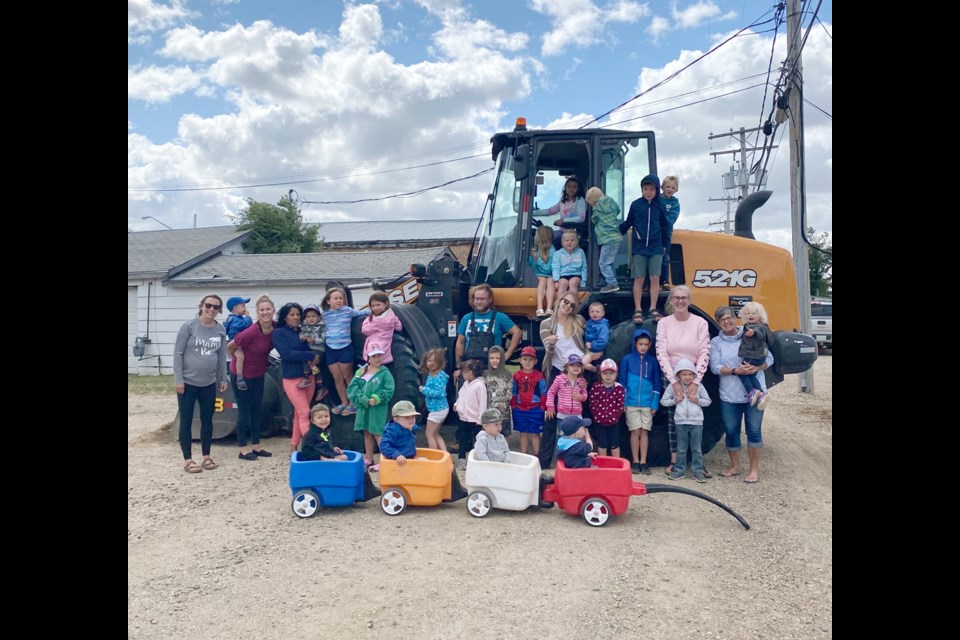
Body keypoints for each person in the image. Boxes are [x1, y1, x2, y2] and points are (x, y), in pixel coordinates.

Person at [710, 306, 773, 484]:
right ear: (718, 323)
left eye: (729, 318)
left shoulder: (749, 333)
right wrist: (735, 371)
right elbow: (714, 367)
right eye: (722, 320)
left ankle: (753, 470)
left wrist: (758, 367)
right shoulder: (716, 343)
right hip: (729, 395)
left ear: (735, 318)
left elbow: (769, 358)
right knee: (731, 431)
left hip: (755, 396)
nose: (727, 322)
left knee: (753, 431)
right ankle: (735, 466)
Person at [655, 285, 711, 477]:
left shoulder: (700, 323)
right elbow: (661, 352)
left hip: (694, 375)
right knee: (674, 417)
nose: (680, 301)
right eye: (676, 298)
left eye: (684, 298)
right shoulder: (664, 324)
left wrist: (696, 381)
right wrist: (673, 381)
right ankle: (675, 461)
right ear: (671, 301)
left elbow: (704, 351)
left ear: (689, 300)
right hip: (671, 374)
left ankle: (698, 461)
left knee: (697, 415)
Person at [174, 294, 229, 474]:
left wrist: (223, 378)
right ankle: (188, 459)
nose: (211, 309)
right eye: (208, 305)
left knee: (207, 419)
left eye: (216, 307)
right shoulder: (188, 327)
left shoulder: (220, 329)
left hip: (208, 383)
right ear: (201, 306)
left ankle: (206, 455)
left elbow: (221, 357)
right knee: (186, 419)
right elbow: (178, 354)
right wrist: (179, 380)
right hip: (188, 383)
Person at [538, 291, 587, 468]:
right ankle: (544, 461)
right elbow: (547, 350)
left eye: (572, 305)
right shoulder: (546, 324)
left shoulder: (579, 321)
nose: (567, 306)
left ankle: (577, 456)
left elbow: (586, 341)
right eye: (565, 302)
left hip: (579, 369)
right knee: (551, 416)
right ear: (559, 301)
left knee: (578, 412)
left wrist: (589, 356)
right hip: (559, 371)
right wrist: (551, 343)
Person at [228, 294, 276, 461]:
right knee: (244, 410)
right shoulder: (250, 332)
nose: (265, 312)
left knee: (257, 409)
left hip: (258, 373)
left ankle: (256, 445)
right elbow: (230, 346)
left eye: (268, 309)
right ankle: (242, 448)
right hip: (241, 374)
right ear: (257, 312)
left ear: (273, 310)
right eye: (262, 310)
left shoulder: (276, 328)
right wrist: (238, 356)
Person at [619, 174, 669, 322]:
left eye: (651, 189)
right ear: (641, 189)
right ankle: (638, 309)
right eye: (645, 189)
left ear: (656, 190)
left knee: (655, 277)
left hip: (655, 247)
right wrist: (616, 230)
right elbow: (628, 222)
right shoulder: (636, 205)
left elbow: (665, 226)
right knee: (639, 278)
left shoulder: (660, 205)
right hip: (639, 246)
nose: (648, 192)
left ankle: (653, 308)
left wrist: (665, 245)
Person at [273, 302, 321, 453]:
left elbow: (315, 346)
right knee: (305, 413)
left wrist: (314, 355)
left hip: (308, 376)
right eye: (292, 314)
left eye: (298, 315)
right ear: (285, 317)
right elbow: (286, 354)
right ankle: (311, 447)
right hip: (292, 378)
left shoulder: (303, 331)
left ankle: (294, 446)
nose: (295, 317)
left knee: (300, 413)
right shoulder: (279, 333)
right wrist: (309, 355)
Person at [660, 358, 712, 483]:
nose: (687, 377)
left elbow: (708, 401)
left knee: (696, 448)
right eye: (684, 374)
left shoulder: (698, 386)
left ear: (694, 374)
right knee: (681, 448)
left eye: (690, 374)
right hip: (681, 422)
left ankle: (698, 471)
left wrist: (697, 400)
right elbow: (663, 401)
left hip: (697, 422)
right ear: (678, 375)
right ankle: (679, 470)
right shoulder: (674, 387)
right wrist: (674, 401)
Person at [322, 286, 371, 416]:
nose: (339, 301)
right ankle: (343, 402)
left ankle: (352, 402)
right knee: (337, 377)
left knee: (348, 376)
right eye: (335, 298)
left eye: (340, 298)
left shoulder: (348, 311)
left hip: (345, 348)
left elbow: (362, 313)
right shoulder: (324, 314)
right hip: (330, 349)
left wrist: (376, 309)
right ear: (328, 301)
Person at [347, 342, 396, 471]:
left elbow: (389, 389)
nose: (378, 358)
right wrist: (361, 399)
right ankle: (369, 458)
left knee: (378, 432)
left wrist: (377, 398)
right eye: (374, 356)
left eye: (380, 355)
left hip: (377, 408)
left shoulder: (385, 373)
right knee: (367, 431)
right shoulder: (361, 371)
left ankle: (384, 459)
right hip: (364, 408)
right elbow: (352, 388)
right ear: (368, 357)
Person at [619, 329, 661, 475]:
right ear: (635, 344)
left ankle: (644, 461)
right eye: (640, 344)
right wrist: (623, 402)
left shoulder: (653, 361)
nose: (643, 347)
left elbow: (657, 383)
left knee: (645, 432)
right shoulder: (627, 360)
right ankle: (635, 461)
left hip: (647, 403)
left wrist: (654, 403)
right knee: (634, 431)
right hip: (631, 403)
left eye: (646, 344)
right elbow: (622, 382)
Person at [454, 284, 521, 375]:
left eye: (482, 299)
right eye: (477, 299)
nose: (479, 302)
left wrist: (507, 355)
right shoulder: (466, 318)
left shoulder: (500, 317)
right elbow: (460, 342)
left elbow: (517, 332)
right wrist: (458, 366)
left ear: (490, 299)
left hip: (492, 368)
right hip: (469, 368)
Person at [737, 301, 776, 409]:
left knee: (742, 372)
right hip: (759, 356)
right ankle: (761, 395)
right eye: (748, 313)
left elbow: (758, 333)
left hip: (752, 355)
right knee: (752, 375)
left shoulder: (757, 327)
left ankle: (752, 392)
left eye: (754, 313)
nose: (750, 315)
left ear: (760, 315)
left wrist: (752, 333)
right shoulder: (763, 326)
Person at [511, 345, 547, 456]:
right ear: (520, 360)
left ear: (535, 361)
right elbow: (513, 391)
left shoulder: (539, 376)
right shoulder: (516, 376)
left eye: (530, 360)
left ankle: (537, 454)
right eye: (525, 359)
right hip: (519, 409)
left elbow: (544, 392)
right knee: (523, 433)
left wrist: (542, 407)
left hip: (535, 409)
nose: (527, 362)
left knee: (535, 433)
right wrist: (513, 405)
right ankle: (524, 455)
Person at [585, 186, 622, 293]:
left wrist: (594, 210)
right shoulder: (612, 203)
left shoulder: (597, 208)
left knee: (603, 263)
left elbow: (594, 220)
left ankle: (612, 284)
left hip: (607, 239)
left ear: (593, 202)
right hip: (616, 238)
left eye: (590, 203)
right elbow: (618, 210)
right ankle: (613, 281)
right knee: (609, 262)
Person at [453, 359, 487, 470]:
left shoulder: (480, 386)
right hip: (463, 417)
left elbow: (482, 403)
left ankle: (477, 459)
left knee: (476, 440)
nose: (463, 374)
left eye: (464, 371)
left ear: (470, 372)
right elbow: (460, 396)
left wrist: (480, 419)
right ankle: (462, 458)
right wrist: (457, 405)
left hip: (475, 419)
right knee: (463, 439)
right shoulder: (465, 384)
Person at [588, 359, 624, 458]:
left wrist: (615, 416)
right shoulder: (596, 386)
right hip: (599, 422)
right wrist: (597, 416)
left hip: (614, 422)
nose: (608, 376)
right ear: (600, 374)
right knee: (602, 444)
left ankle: (617, 463)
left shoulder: (619, 388)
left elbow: (620, 405)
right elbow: (592, 403)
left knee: (615, 444)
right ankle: (603, 464)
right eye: (605, 373)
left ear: (616, 374)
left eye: (611, 373)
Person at [418, 347, 450, 453]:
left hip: (438, 410)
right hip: (437, 409)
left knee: (429, 434)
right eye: (429, 360)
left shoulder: (439, 376)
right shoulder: (431, 374)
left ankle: (434, 456)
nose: (431, 363)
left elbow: (440, 393)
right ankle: (445, 455)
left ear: (439, 363)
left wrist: (424, 389)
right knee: (435, 434)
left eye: (434, 361)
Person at [361, 291, 403, 364]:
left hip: (374, 347)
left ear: (386, 304)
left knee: (374, 367)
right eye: (373, 306)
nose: (375, 308)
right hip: (385, 348)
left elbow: (365, 330)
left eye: (378, 305)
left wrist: (372, 322)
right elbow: (399, 327)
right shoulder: (392, 317)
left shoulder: (374, 320)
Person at [546, 354, 589, 425]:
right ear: (567, 368)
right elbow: (551, 392)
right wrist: (550, 406)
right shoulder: (559, 379)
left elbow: (585, 395)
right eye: (572, 365)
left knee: (577, 435)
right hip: (562, 415)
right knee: (562, 435)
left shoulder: (582, 381)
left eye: (578, 365)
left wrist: (581, 397)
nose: (576, 367)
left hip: (577, 415)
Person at [379, 400, 421, 465]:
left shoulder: (410, 426)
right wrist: (396, 455)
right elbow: (384, 445)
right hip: (396, 462)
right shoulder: (392, 430)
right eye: (407, 417)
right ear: (396, 419)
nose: (411, 420)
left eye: (413, 416)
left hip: (409, 458)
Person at [483, 345, 513, 436]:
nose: (494, 360)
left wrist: (501, 406)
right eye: (492, 358)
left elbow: (509, 395)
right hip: (488, 411)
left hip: (503, 413)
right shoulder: (485, 374)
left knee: (504, 435)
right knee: (489, 434)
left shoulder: (507, 375)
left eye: (497, 358)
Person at [659, 175, 680, 288]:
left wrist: (662, 222)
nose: (670, 189)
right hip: (654, 233)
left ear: (676, 190)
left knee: (665, 257)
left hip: (666, 234)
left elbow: (672, 217)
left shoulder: (675, 203)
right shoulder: (656, 199)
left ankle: (664, 280)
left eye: (672, 188)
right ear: (662, 187)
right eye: (667, 187)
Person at [530, 225, 556, 317]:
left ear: (542, 237)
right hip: (537, 274)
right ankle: (540, 307)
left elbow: (548, 269)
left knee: (549, 280)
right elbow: (530, 266)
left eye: (536, 235)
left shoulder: (552, 251)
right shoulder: (535, 249)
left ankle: (549, 308)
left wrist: (537, 259)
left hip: (548, 274)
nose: (534, 237)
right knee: (542, 280)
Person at [551, 228, 588, 296]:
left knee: (573, 282)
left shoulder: (580, 252)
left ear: (576, 241)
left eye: (572, 240)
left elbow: (584, 267)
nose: (569, 242)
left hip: (576, 275)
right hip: (563, 275)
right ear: (562, 242)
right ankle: (559, 304)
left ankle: (573, 303)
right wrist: (556, 280)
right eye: (566, 240)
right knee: (563, 283)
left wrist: (584, 280)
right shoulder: (558, 253)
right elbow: (556, 268)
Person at [299, 303, 326, 393]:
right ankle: (319, 384)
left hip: (319, 349)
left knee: (310, 359)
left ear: (319, 317)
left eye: (313, 316)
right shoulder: (305, 327)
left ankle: (306, 378)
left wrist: (315, 341)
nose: (311, 318)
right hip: (310, 348)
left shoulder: (321, 327)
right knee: (314, 365)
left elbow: (324, 338)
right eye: (308, 317)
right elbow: (301, 335)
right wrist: (302, 337)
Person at [581, 301, 609, 373]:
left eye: (597, 311)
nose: (595, 313)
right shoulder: (588, 323)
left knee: (582, 364)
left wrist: (592, 345)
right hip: (586, 348)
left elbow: (603, 340)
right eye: (592, 311)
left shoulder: (603, 326)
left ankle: (595, 370)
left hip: (594, 350)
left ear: (603, 313)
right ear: (589, 313)